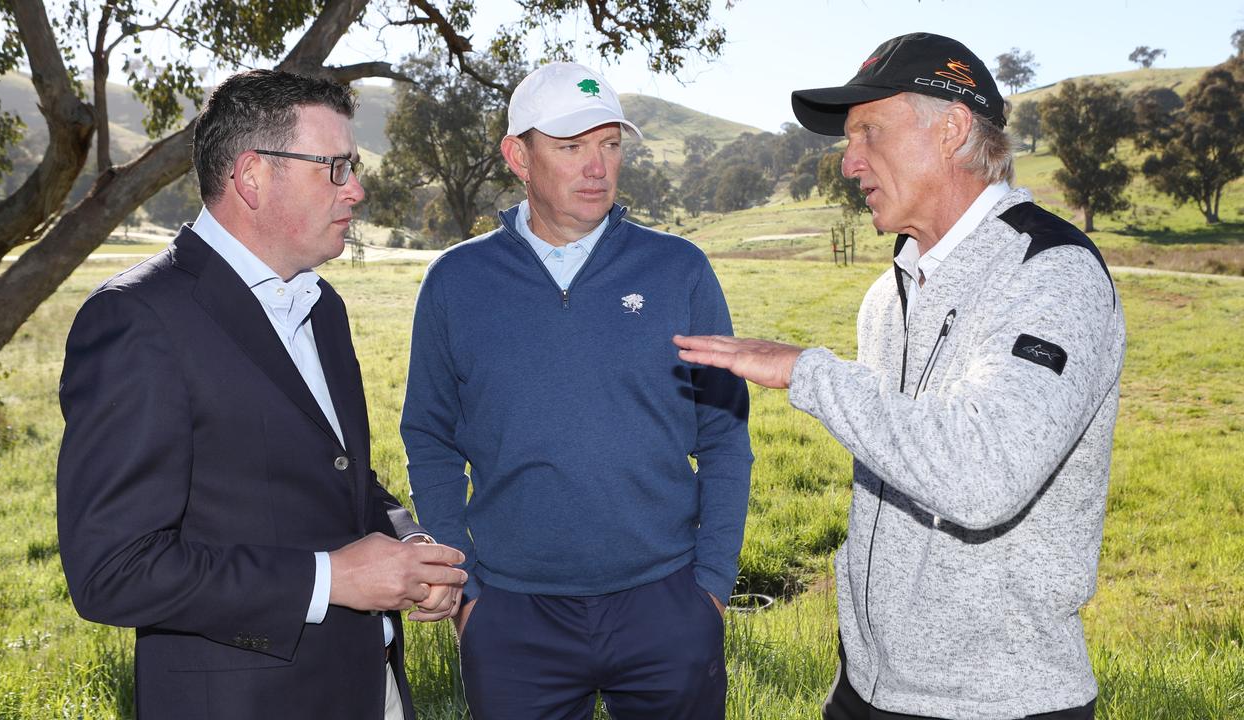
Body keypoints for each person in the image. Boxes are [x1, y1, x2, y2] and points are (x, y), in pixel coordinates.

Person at [674, 33, 1125, 720]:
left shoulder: (1052, 274)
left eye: (868, 134)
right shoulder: (887, 297)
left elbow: (983, 477)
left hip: (1000, 703)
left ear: (950, 129)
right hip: (868, 692)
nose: (849, 162)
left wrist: (806, 371)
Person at [56, 69, 468, 720]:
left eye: (352, 166)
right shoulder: (138, 320)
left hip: (372, 688)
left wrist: (409, 546)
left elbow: (341, 481)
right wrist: (333, 578)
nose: (356, 190)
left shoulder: (321, 304)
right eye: (334, 168)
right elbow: (112, 569)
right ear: (252, 176)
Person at [400, 61, 753, 720]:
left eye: (610, 144)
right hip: (512, 615)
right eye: (571, 147)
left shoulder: (679, 271)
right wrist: (468, 594)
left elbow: (726, 440)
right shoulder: (457, 281)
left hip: (667, 605)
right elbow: (429, 438)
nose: (598, 166)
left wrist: (710, 588)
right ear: (518, 156)